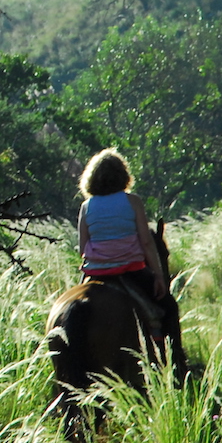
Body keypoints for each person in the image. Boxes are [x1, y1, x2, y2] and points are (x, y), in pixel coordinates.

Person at [76, 147, 188, 375]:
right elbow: (147, 243)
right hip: (130, 270)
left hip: (96, 273)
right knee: (168, 306)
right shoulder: (132, 202)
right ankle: (176, 366)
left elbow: (82, 247)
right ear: (123, 176)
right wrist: (157, 275)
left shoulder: (86, 207)